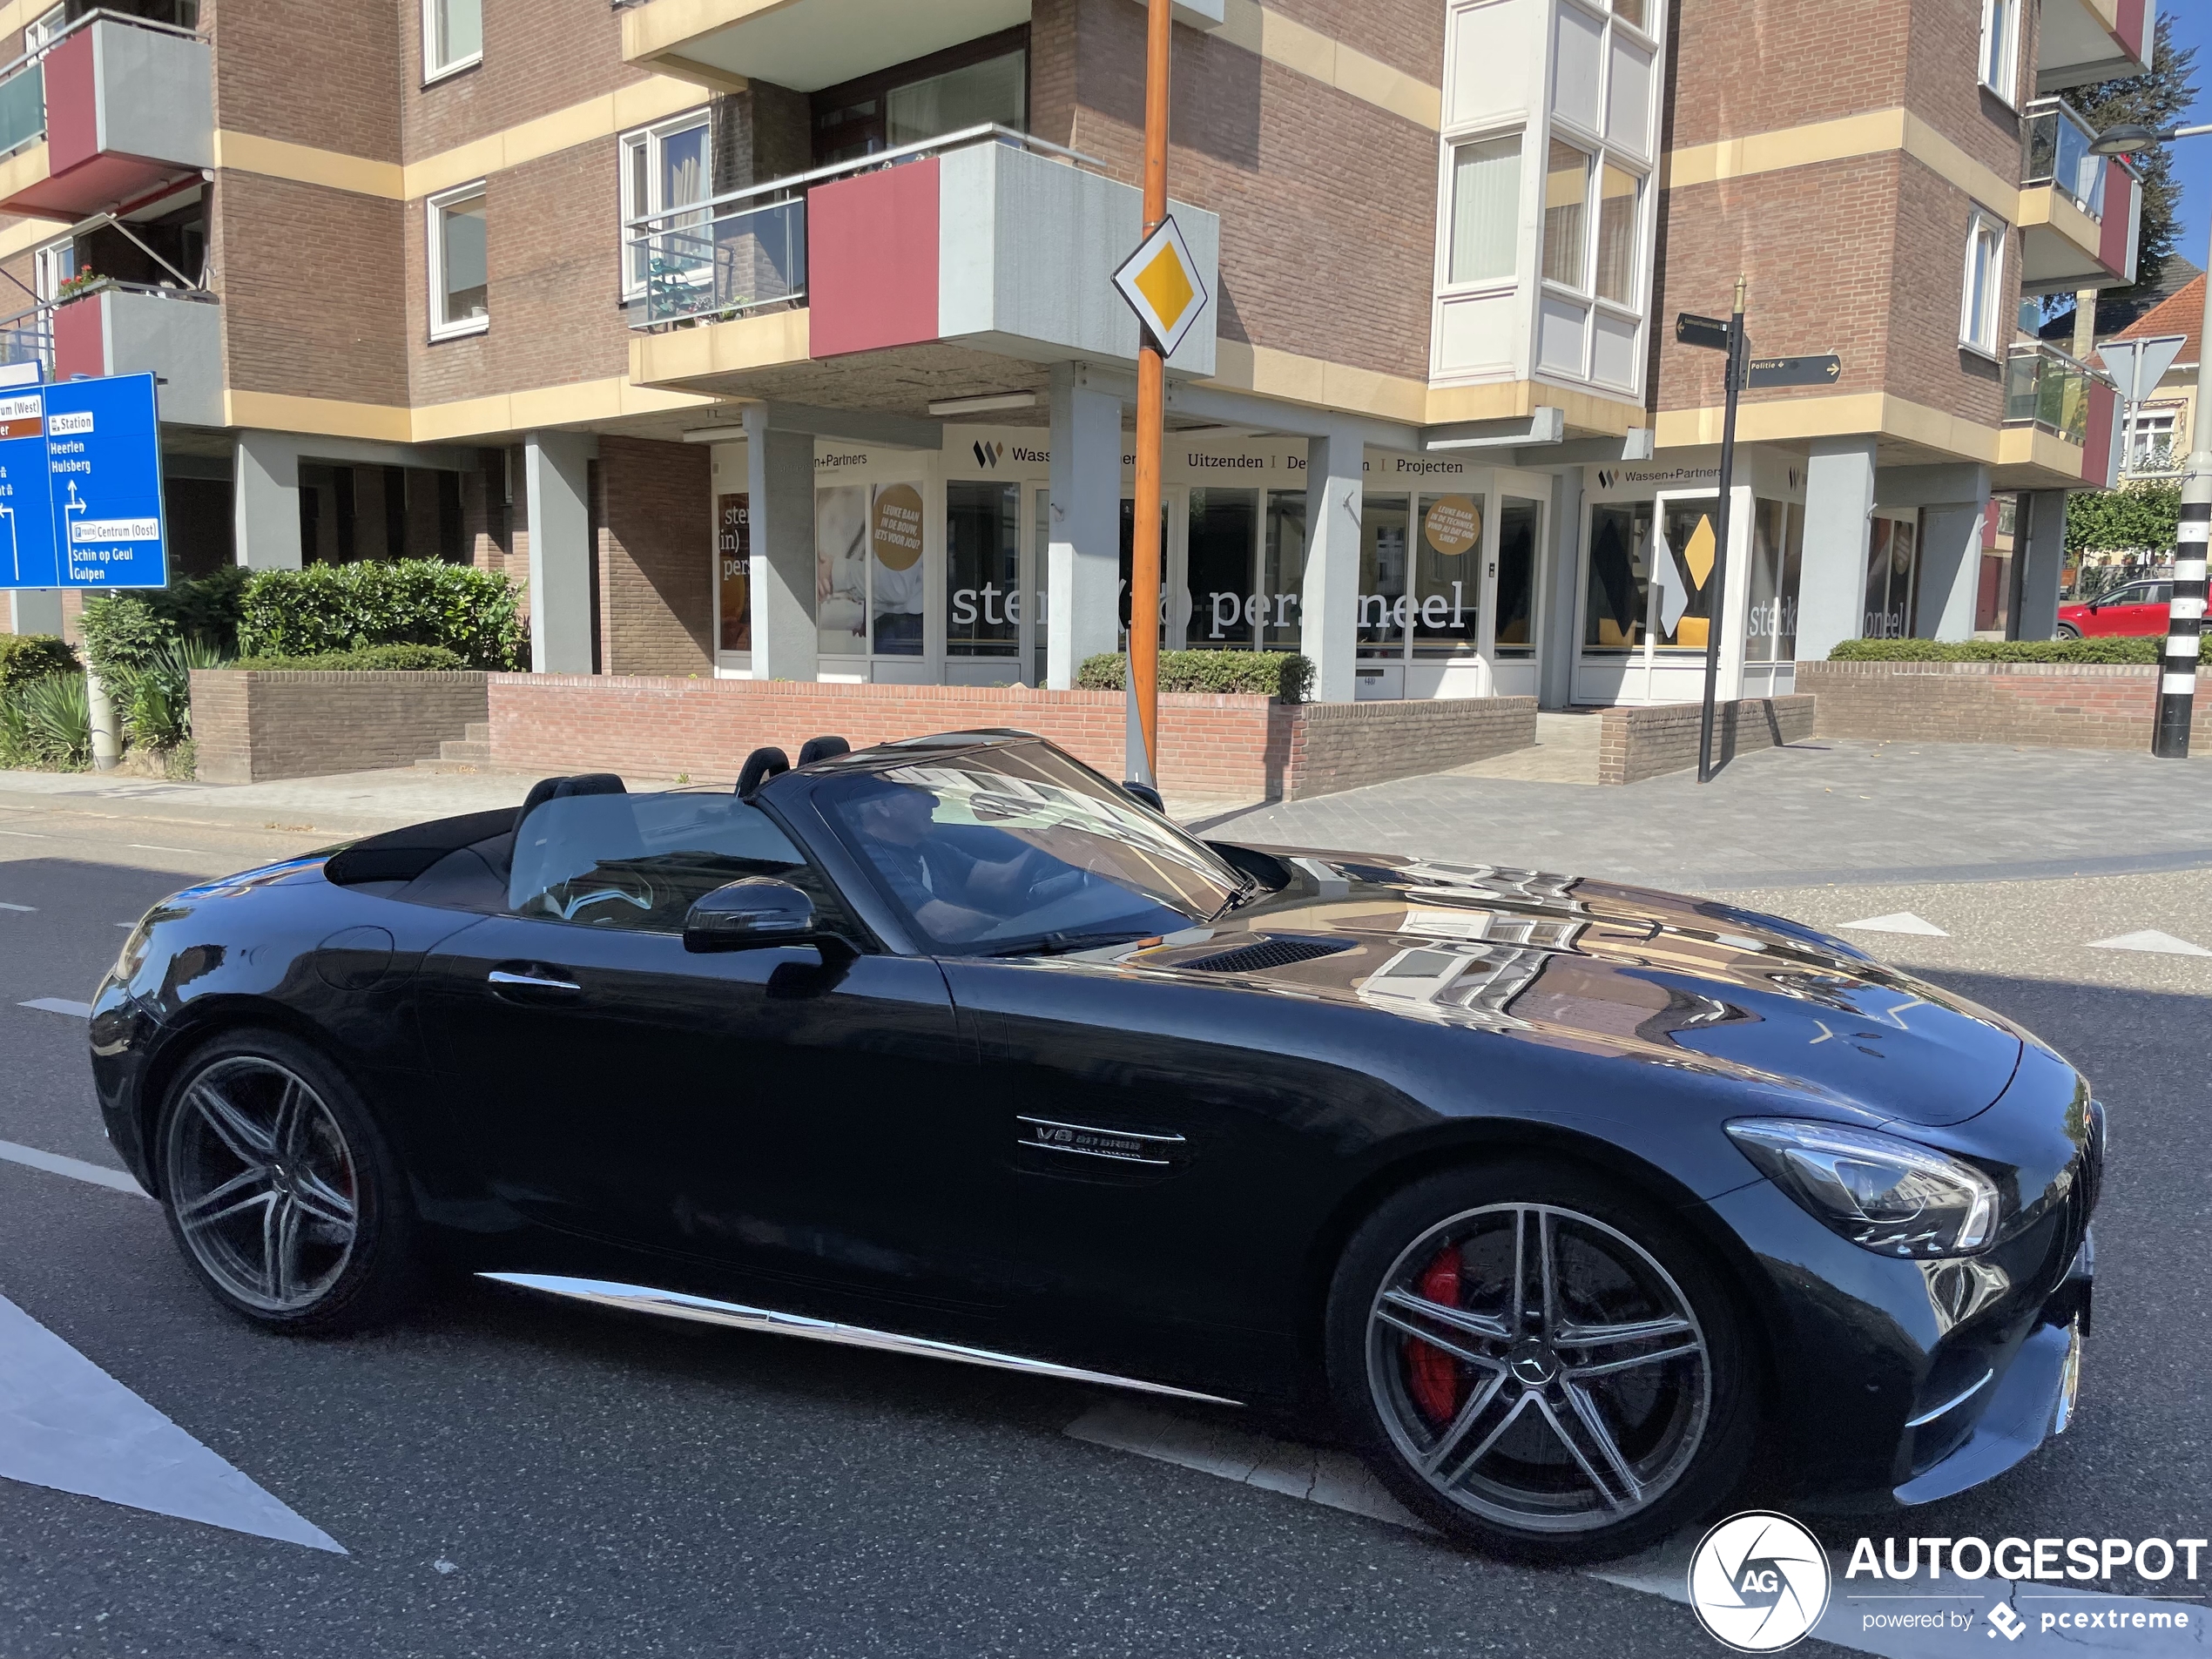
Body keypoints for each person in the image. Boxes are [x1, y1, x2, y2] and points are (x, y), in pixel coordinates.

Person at [849, 781, 1040, 942]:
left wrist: (1045, 847)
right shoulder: (868, 860)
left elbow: (999, 880)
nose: (935, 802)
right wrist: (1013, 927)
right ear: (883, 806)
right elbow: (940, 924)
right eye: (918, 793)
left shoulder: (930, 848)